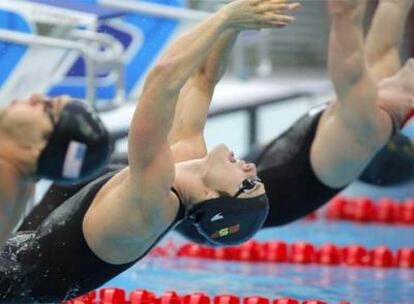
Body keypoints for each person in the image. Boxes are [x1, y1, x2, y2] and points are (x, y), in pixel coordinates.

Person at [0, 0, 300, 302]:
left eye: (247, 184)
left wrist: (223, 17)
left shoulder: (153, 206)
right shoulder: (185, 158)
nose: (252, 168)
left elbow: (162, 79)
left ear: (212, 198)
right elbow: (203, 77)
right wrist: (236, 22)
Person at [174, 0, 414, 243]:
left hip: (212, 220)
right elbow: (394, 7)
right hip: (225, 201)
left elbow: (346, 13)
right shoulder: (383, 81)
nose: (252, 170)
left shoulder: (363, 129)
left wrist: (229, 19)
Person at [0, 94, 111, 248]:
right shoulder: (20, 184)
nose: (36, 97)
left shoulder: (4, 174)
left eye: (47, 108)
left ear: (38, 147)